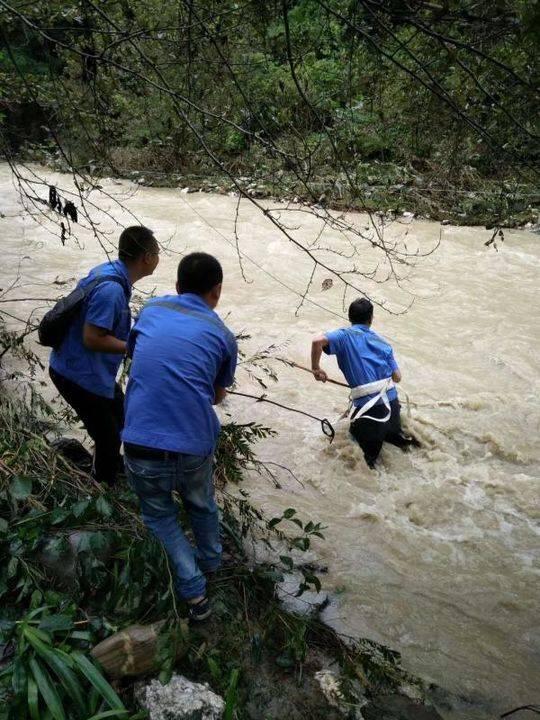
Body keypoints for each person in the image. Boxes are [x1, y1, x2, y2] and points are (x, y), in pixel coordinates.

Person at [122, 252, 238, 621]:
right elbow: (217, 395)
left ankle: (194, 596)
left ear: (176, 286)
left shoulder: (152, 310)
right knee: (201, 505)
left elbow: (135, 354)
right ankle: (210, 568)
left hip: (140, 443)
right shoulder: (223, 335)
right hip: (192, 446)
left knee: (160, 517)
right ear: (217, 291)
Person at [49, 226, 160, 485]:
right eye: (157, 252)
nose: (158, 257)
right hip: (76, 373)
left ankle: (107, 467)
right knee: (108, 435)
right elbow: (92, 337)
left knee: (121, 416)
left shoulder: (109, 271)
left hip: (84, 368)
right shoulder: (111, 290)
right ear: (146, 257)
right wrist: (133, 347)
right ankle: (102, 489)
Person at [311, 298, 416, 468]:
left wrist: (316, 368)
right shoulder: (383, 343)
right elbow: (397, 377)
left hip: (370, 411)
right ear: (371, 319)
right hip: (392, 405)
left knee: (363, 463)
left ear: (350, 317)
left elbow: (317, 341)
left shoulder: (344, 336)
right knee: (397, 444)